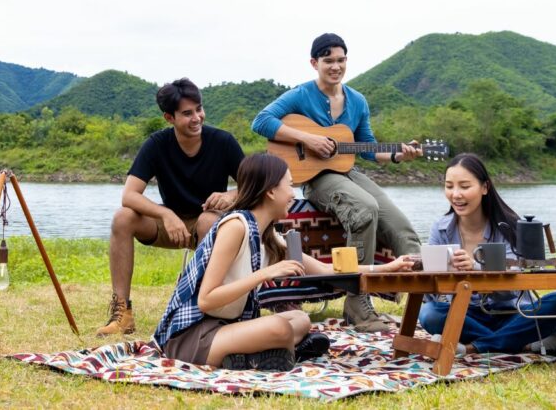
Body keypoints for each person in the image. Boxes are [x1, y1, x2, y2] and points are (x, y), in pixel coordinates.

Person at [153, 153, 415, 370]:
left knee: (300, 319)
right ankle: (265, 356)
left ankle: (270, 354)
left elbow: (327, 270)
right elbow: (206, 299)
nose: (292, 193)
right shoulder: (236, 227)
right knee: (279, 326)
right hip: (193, 336)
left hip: (228, 327)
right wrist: (266, 273)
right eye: (288, 185)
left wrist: (386, 267)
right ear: (270, 191)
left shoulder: (268, 235)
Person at [251, 32, 423, 332]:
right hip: (315, 176)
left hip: (348, 172)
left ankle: (426, 302)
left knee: (401, 227)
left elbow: (368, 148)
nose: (335, 66)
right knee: (364, 209)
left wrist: (398, 157)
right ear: (314, 63)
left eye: (341, 60)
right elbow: (261, 121)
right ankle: (357, 304)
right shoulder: (300, 95)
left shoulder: (357, 101)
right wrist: (308, 139)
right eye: (328, 60)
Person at [96, 78, 245, 337]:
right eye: (187, 113)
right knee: (123, 218)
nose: (197, 117)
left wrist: (231, 195)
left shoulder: (223, 141)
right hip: (170, 224)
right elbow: (129, 195)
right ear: (169, 118)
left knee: (209, 220)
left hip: (208, 223)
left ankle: (207, 310)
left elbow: (253, 187)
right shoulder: (156, 144)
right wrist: (165, 213)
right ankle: (122, 314)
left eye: (199, 109)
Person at [418, 153, 556, 355]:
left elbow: (515, 285)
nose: (456, 194)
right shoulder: (440, 229)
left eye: (465, 187)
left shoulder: (508, 225)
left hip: (512, 312)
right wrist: (425, 268)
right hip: (465, 313)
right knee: (430, 314)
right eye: (449, 186)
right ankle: (523, 342)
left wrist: (475, 268)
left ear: (485, 187)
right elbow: (433, 293)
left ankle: (474, 347)